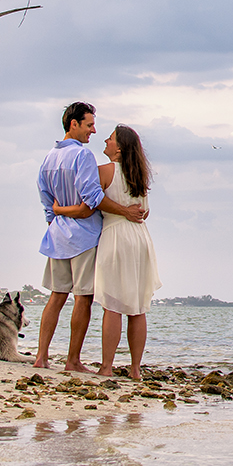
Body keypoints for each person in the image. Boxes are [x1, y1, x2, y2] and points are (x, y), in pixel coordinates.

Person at [33, 102, 145, 372]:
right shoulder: (82, 156)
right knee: (82, 297)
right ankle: (73, 360)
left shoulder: (49, 157)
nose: (93, 131)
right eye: (89, 125)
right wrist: (124, 212)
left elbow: (46, 201)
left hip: (57, 234)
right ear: (74, 124)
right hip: (84, 236)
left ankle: (41, 357)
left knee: (56, 295)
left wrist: (58, 217)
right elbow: (92, 200)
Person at [92, 124, 162, 379]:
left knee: (112, 303)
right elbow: (144, 210)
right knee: (137, 306)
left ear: (118, 148)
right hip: (140, 238)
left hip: (117, 235)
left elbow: (93, 199)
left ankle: (107, 366)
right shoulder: (140, 176)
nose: (106, 141)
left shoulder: (105, 171)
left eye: (110, 139)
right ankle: (135, 369)